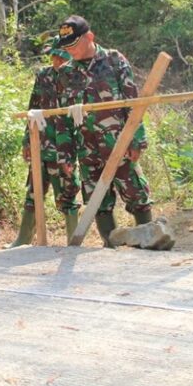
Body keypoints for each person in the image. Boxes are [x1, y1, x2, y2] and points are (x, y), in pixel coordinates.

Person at [55, 15, 153, 246]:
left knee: (136, 193)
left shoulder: (114, 60)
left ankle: (149, 243)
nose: (71, 51)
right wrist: (65, 153)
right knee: (98, 200)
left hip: (118, 143)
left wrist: (136, 139)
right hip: (86, 148)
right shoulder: (66, 72)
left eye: (75, 45)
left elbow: (132, 102)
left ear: (90, 37)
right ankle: (111, 247)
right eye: (67, 47)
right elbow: (63, 117)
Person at [9, 37, 81, 246]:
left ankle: (73, 240)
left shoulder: (77, 77)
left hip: (63, 148)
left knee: (67, 194)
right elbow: (32, 109)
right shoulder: (44, 76)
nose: (56, 60)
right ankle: (23, 239)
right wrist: (26, 142)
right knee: (33, 193)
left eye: (61, 56)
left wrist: (71, 151)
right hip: (40, 143)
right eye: (54, 56)